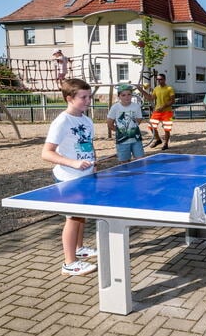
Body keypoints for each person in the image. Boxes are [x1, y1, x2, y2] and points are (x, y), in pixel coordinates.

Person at [41, 78, 98, 276]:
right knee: (72, 218)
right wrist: (73, 163)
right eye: (83, 97)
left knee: (80, 216)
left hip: (85, 175)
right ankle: (69, 262)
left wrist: (94, 163)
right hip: (68, 177)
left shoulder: (87, 120)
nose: (88, 100)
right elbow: (47, 153)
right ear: (69, 98)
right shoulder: (62, 121)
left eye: (89, 96)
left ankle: (79, 249)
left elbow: (89, 146)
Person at [107, 84, 145, 163]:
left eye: (129, 94)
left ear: (132, 95)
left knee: (140, 160)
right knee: (125, 163)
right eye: (123, 95)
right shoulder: (115, 107)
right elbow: (110, 123)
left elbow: (139, 119)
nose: (126, 97)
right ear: (119, 96)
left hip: (136, 139)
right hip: (122, 141)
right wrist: (120, 131)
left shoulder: (136, 106)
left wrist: (132, 128)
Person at [137, 73, 175, 150]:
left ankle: (166, 144)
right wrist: (142, 90)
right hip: (157, 111)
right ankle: (158, 140)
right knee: (151, 126)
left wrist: (163, 107)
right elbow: (150, 98)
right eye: (157, 79)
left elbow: (172, 101)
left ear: (164, 79)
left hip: (167, 112)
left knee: (167, 129)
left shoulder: (169, 89)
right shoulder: (156, 89)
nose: (159, 81)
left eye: (160, 79)